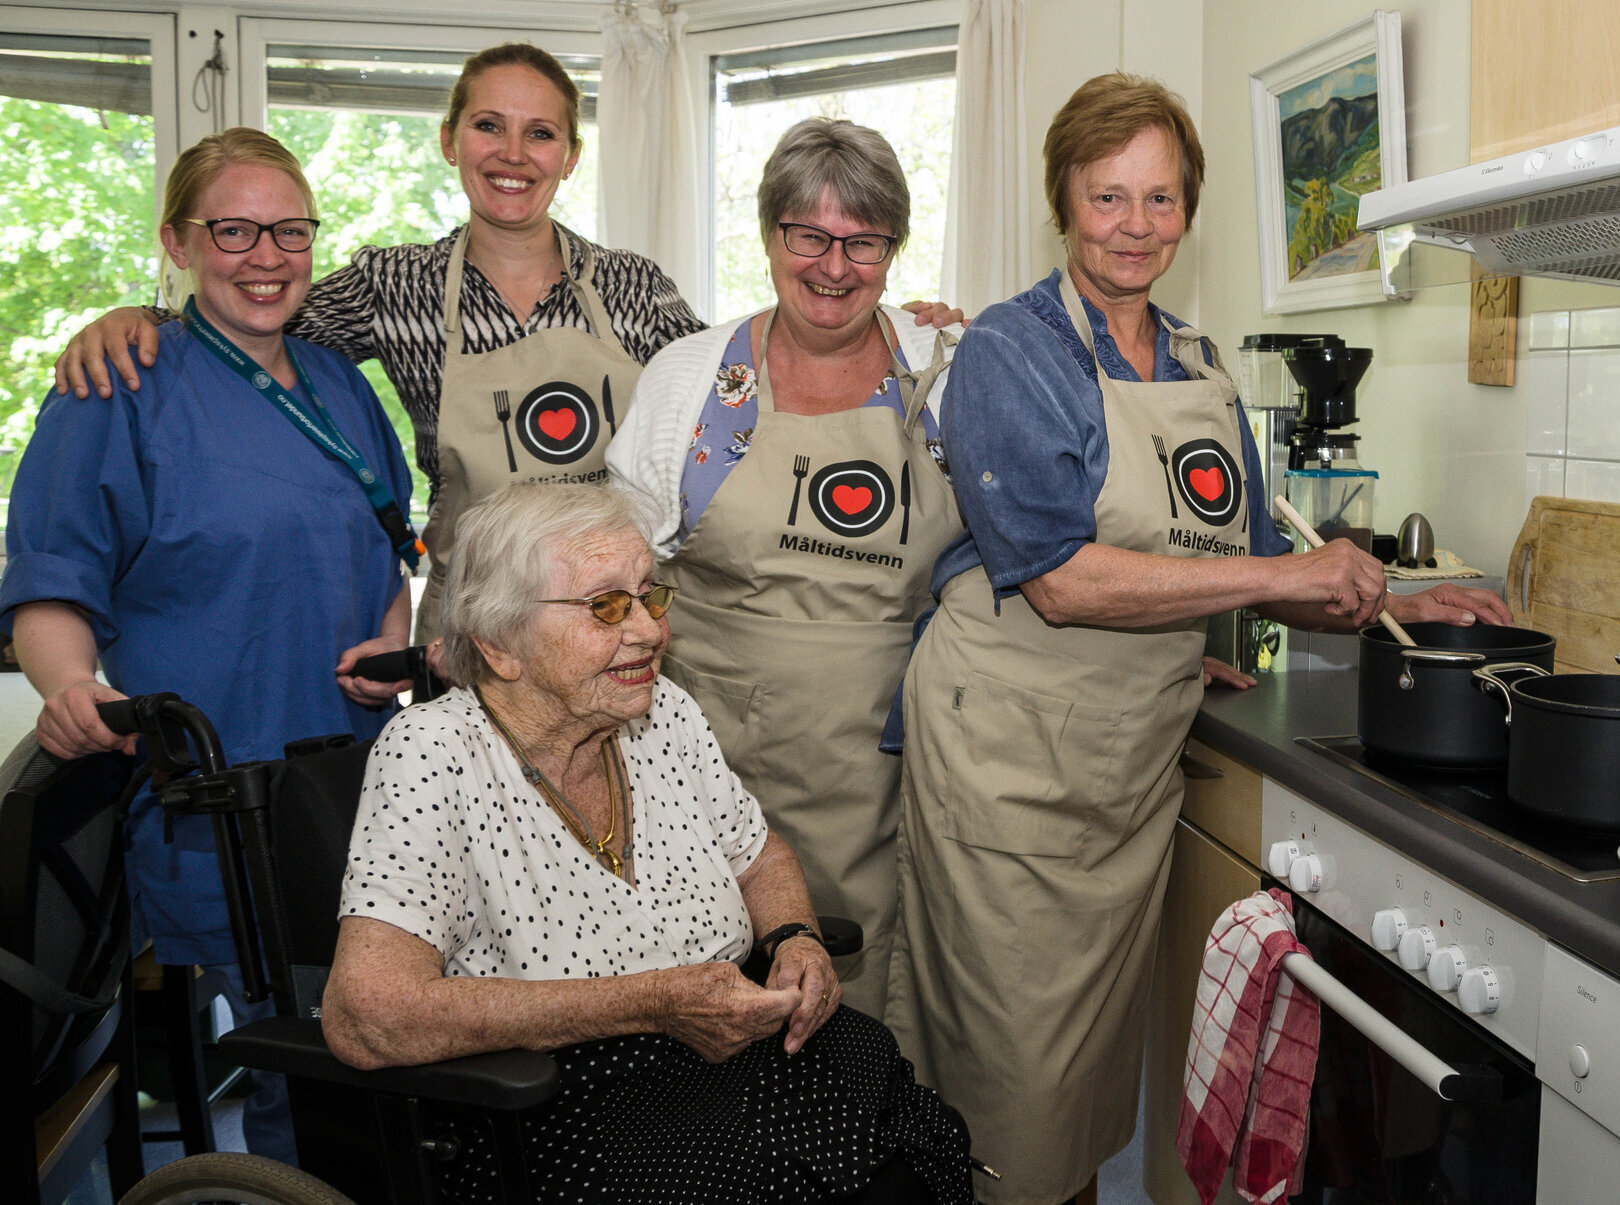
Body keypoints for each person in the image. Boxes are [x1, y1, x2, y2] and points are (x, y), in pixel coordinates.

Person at [885, 74, 1513, 1205]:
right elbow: (1065, 581)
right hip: (1007, 763)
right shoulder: (1011, 354)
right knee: (1009, 1080)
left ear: (1189, 206)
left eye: (1160, 199)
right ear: (1062, 202)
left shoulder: (1195, 361)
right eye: (1108, 198)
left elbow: (1241, 551)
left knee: (1076, 1084)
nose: (1136, 227)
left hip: (1124, 756)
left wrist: (1388, 601)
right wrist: (1281, 573)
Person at [52, 43, 959, 639]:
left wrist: (900, 329)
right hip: (467, 633)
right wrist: (145, 318)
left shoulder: (633, 290)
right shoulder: (391, 285)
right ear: (450, 140)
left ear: (570, 155)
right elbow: (248, 316)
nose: (512, 153)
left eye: (541, 133)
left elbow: (748, 386)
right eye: (489, 125)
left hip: (609, 626)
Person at [320, 482, 971, 1204]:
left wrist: (796, 939)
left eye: (648, 595)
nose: (650, 629)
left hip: (732, 1060)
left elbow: (759, 854)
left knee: (910, 1132)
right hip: (562, 1101)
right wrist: (651, 1003)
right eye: (606, 606)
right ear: (501, 645)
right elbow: (367, 1015)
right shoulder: (433, 752)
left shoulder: (663, 715)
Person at [0, 127, 418, 1164]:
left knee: (384, 1038)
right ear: (178, 241)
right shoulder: (118, 384)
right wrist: (66, 686)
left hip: (360, 775)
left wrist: (393, 631)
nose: (264, 255)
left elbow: (387, 545)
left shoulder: (342, 384)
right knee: (303, 1051)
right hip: (216, 787)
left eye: (288, 230)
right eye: (232, 229)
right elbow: (52, 579)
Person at [607, 118, 961, 1017]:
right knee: (707, 992)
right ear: (770, 237)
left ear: (894, 249)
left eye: (863, 241)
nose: (834, 266)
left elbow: (1028, 544)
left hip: (886, 764)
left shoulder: (946, 371)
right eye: (809, 236)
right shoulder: (691, 377)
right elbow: (616, 570)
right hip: (706, 759)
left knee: (861, 991)